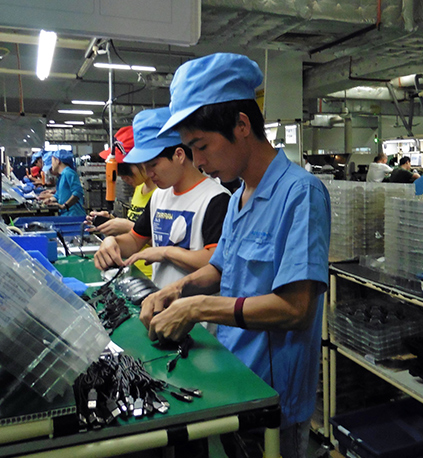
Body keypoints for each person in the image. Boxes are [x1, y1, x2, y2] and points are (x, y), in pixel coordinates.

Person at [140, 53, 331, 458]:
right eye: (191, 150)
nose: (199, 162)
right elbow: (219, 267)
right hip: (231, 376)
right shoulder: (238, 196)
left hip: (271, 397)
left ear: (242, 125)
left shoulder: (300, 194)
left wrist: (198, 309)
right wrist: (177, 291)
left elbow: (296, 309)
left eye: (202, 146)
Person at [93, 107, 230, 289]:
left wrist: (166, 252)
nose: (149, 173)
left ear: (179, 155)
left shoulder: (215, 198)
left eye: (154, 164)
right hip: (160, 299)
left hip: (199, 310)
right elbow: (135, 240)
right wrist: (112, 242)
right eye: (145, 166)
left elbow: (215, 260)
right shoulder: (159, 195)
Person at [87, 138, 158, 279]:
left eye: (124, 168)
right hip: (135, 269)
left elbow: (165, 241)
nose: (122, 176)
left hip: (153, 275)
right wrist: (112, 222)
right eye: (117, 170)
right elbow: (139, 225)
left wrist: (127, 226)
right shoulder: (139, 188)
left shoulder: (161, 193)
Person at [43, 149, 85, 216]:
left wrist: (65, 206)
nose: (52, 165)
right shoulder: (61, 176)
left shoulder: (69, 172)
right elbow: (58, 195)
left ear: (58, 161)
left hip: (74, 214)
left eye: (52, 162)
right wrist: (50, 200)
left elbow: (78, 192)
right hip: (66, 214)